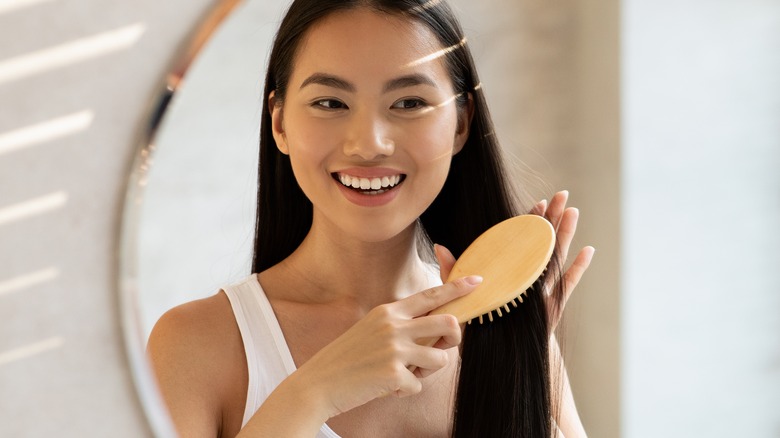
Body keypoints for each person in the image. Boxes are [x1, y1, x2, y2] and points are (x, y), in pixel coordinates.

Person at [148, 0, 595, 436]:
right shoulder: (196, 345)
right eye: (330, 103)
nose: (369, 144)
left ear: (461, 123)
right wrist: (315, 391)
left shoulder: (503, 333)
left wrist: (522, 363)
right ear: (280, 123)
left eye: (408, 103)